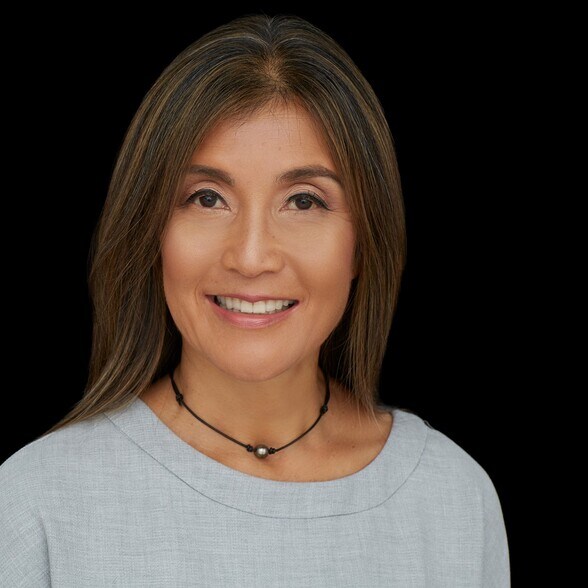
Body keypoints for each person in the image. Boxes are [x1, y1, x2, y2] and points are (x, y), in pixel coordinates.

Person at [0, 14, 509, 587]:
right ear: (151, 231)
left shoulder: (452, 501)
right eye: (207, 197)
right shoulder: (37, 503)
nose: (251, 256)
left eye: (304, 201)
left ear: (363, 243)